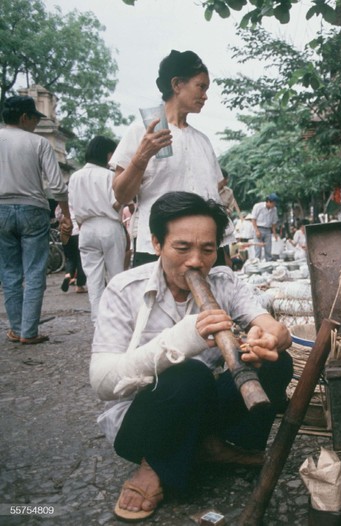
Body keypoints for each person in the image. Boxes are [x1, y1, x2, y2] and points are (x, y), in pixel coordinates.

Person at [89, 191, 292, 522]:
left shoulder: (224, 281)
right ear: (156, 243)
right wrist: (182, 340)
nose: (196, 261)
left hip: (202, 409)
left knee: (276, 361)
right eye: (182, 248)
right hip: (145, 426)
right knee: (189, 374)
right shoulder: (124, 290)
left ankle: (212, 445)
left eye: (207, 249)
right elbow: (102, 383)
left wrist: (269, 338)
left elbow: (271, 326)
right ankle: (156, 464)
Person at [109, 49, 230, 267]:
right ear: (177, 85)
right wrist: (140, 158)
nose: (205, 96)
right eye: (201, 87)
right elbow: (121, 195)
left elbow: (215, 200)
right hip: (157, 249)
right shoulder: (142, 132)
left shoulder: (202, 141)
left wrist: (224, 254)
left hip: (204, 251)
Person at [0, 95, 72, 345]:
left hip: (0, 210)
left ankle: (16, 328)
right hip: (32, 210)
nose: (35, 124)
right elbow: (57, 185)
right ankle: (28, 332)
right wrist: (66, 213)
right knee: (34, 271)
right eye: (33, 118)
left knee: (9, 272)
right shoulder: (38, 143)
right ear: (24, 117)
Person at [68, 136, 126, 324]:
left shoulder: (75, 177)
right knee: (116, 275)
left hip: (86, 228)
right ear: (109, 154)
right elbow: (117, 204)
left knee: (94, 280)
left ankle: (97, 321)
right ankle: (118, 320)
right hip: (109, 226)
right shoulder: (110, 176)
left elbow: (72, 207)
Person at [56, 205, 87, 294]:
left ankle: (68, 275)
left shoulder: (63, 201)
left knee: (70, 258)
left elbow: (57, 214)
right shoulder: (77, 197)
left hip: (66, 233)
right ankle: (79, 285)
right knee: (80, 259)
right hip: (78, 231)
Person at [251, 193, 279, 260]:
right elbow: (253, 219)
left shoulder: (274, 209)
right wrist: (257, 231)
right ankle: (257, 265)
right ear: (269, 201)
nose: (274, 205)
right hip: (259, 228)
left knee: (268, 250)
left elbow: (274, 223)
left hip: (268, 230)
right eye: (273, 203)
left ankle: (268, 265)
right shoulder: (258, 206)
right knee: (258, 250)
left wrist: (275, 234)